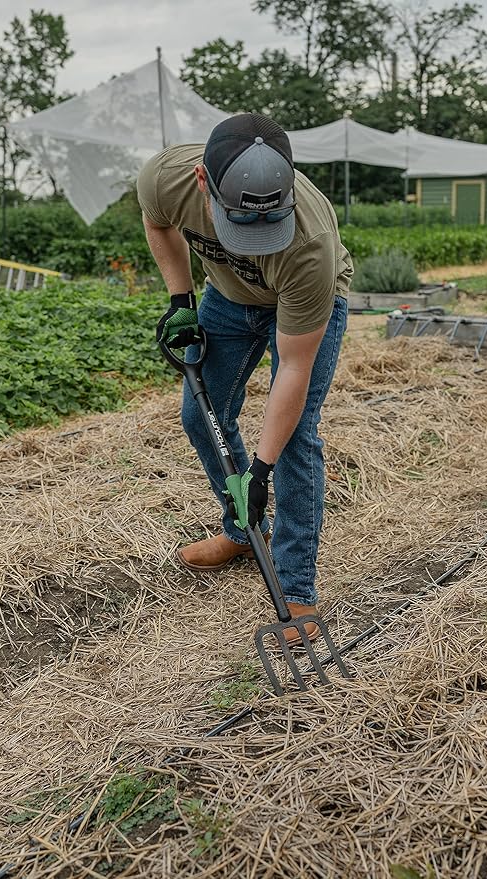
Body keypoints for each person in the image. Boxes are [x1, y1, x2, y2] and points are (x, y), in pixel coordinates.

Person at [137, 112, 352, 643]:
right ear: (202, 181)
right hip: (228, 299)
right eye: (240, 223)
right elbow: (157, 222)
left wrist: (260, 469)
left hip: (302, 304)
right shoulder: (165, 178)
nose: (255, 239)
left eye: (268, 224)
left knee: (296, 438)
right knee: (200, 417)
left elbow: (294, 367)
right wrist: (180, 298)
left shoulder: (310, 245)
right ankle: (242, 530)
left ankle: (297, 587)